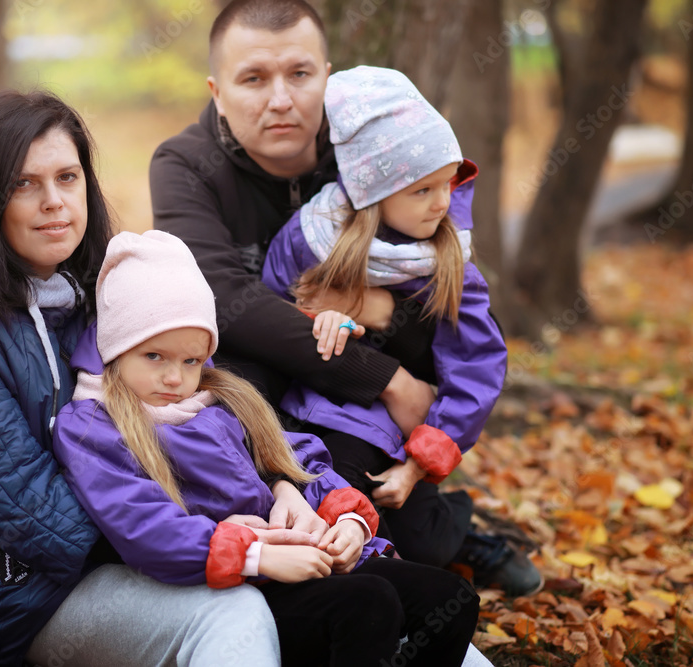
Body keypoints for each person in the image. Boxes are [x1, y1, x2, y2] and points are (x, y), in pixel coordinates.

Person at [150, 0, 540, 596]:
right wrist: (385, 376)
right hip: (273, 383)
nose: (281, 99)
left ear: (327, 76)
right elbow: (223, 300)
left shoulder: (374, 149)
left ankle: (449, 535)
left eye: (300, 75)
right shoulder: (185, 165)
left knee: (412, 527)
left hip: (368, 404)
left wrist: (383, 314)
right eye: (253, 78)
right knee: (237, 384)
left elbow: (447, 300)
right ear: (218, 91)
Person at [0, 91, 284, 667]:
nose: (54, 202)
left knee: (354, 594)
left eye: (67, 177)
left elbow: (202, 405)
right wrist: (214, 538)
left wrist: (283, 487)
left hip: (153, 539)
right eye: (23, 184)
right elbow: (34, 518)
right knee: (235, 610)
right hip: (25, 592)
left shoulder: (94, 289)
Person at [52, 229, 478, 667]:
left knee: (451, 599)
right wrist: (258, 555)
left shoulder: (222, 400)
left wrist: (347, 520)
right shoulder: (94, 425)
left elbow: (298, 458)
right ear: (117, 348)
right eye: (154, 356)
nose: (176, 378)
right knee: (368, 604)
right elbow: (144, 527)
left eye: (191, 360)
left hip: (292, 553)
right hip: (226, 579)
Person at [259, 66, 542, 597]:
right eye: (421, 190)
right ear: (373, 191)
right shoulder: (312, 238)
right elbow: (269, 307)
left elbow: (477, 365)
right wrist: (310, 321)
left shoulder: (448, 259)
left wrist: (420, 463)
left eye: (447, 183)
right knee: (338, 513)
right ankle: (374, 603)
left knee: (424, 538)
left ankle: (453, 541)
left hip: (398, 431)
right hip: (314, 413)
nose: (441, 203)